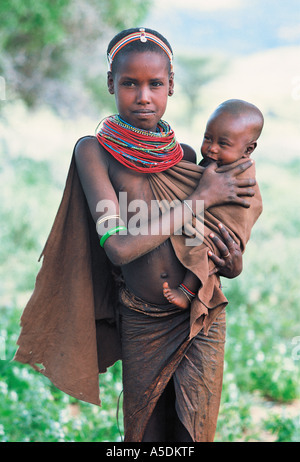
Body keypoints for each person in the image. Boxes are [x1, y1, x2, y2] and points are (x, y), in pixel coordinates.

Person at [14, 28, 258, 443]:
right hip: (142, 319)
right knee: (144, 432)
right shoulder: (93, 152)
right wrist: (198, 199)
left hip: (200, 315)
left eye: (155, 84)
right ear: (111, 83)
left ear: (171, 86)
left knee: (193, 432)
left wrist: (232, 263)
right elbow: (120, 248)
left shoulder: (185, 157)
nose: (143, 95)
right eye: (129, 83)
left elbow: (212, 239)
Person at [163, 99, 264, 309]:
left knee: (207, 247)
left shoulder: (240, 172)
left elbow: (241, 210)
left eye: (223, 144)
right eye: (207, 138)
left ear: (248, 150)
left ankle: (186, 292)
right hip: (203, 215)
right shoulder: (216, 162)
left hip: (224, 227)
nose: (212, 149)